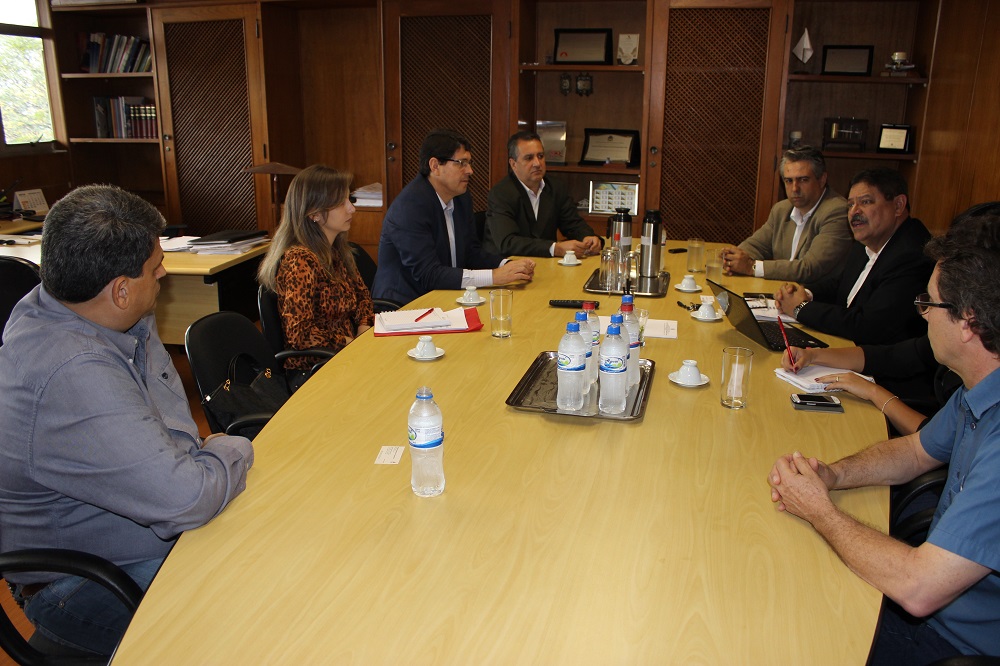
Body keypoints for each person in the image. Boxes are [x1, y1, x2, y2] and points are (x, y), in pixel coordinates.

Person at [0, 185, 254, 657]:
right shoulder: (69, 369)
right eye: (156, 269)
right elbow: (187, 498)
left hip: (139, 537)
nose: (163, 276)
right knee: (254, 604)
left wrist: (197, 462)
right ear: (120, 290)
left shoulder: (97, 311)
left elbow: (177, 437)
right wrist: (231, 448)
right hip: (82, 584)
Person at [768, 202, 1000, 663]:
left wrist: (820, 511)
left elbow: (919, 588)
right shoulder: (979, 390)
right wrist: (832, 476)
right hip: (928, 604)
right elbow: (916, 451)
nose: (923, 315)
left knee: (781, 629)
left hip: (946, 642)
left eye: (928, 304)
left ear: (969, 322)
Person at [372, 129, 536, 305]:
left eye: (469, 163)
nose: (470, 171)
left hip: (444, 297)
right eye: (461, 163)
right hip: (403, 305)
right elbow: (429, 275)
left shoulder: (461, 198)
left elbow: (471, 254)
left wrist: (508, 265)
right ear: (435, 166)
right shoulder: (410, 207)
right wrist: (494, 276)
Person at [773, 168, 932, 345]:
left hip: (882, 367)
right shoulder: (866, 243)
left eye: (865, 202)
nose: (854, 212)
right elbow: (842, 287)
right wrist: (805, 293)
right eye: (850, 205)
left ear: (898, 205)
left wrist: (800, 308)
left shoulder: (913, 254)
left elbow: (868, 326)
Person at [257, 165, 374, 371]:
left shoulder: (336, 251)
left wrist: (363, 328)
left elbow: (363, 297)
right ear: (314, 213)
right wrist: (350, 344)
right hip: (315, 368)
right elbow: (300, 335)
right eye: (341, 203)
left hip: (347, 356)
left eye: (350, 199)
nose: (351, 209)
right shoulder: (299, 261)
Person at [720, 145, 852, 282]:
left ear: (822, 179)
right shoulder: (782, 209)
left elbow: (809, 268)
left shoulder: (837, 212)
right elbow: (756, 246)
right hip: (778, 292)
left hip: (814, 297)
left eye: (803, 180)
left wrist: (751, 267)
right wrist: (732, 259)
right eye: (789, 181)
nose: (794, 188)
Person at [782, 336, 959, 437]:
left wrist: (873, 391)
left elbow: (935, 438)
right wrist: (811, 355)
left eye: (931, 303)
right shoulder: (942, 342)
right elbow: (886, 357)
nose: (925, 314)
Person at [483, 130, 603, 258]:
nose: (537, 163)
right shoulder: (501, 194)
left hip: (542, 264)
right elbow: (508, 243)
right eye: (529, 158)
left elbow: (573, 224)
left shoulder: (555, 187)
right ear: (513, 164)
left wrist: (588, 237)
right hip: (504, 265)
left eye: (540, 156)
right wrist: (554, 248)